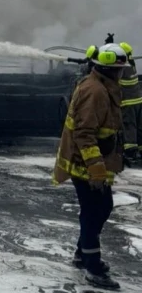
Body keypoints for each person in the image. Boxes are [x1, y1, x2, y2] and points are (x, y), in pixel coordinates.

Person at [52, 43, 128, 290]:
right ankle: (93, 268)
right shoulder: (94, 91)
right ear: (107, 70)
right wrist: (96, 171)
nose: (122, 74)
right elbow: (85, 134)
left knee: (98, 209)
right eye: (119, 70)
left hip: (94, 162)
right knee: (95, 211)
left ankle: (82, 255)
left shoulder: (102, 85)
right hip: (86, 165)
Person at [118, 42, 141, 166]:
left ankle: (130, 151)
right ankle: (140, 149)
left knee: (129, 125)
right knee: (139, 126)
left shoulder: (123, 66)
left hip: (128, 102)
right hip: (138, 100)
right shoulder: (131, 63)